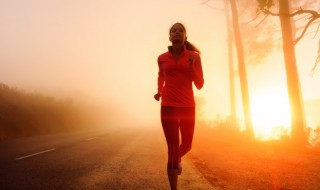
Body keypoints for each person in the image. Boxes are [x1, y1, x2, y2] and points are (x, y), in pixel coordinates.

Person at [154, 22, 204, 190]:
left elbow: (200, 84)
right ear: (169, 37)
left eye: (180, 30)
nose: (176, 32)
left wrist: (191, 68)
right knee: (173, 148)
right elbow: (161, 76)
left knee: (187, 145)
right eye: (173, 31)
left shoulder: (194, 57)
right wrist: (159, 91)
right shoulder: (162, 58)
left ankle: (177, 160)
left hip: (187, 106)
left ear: (185, 37)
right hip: (168, 105)